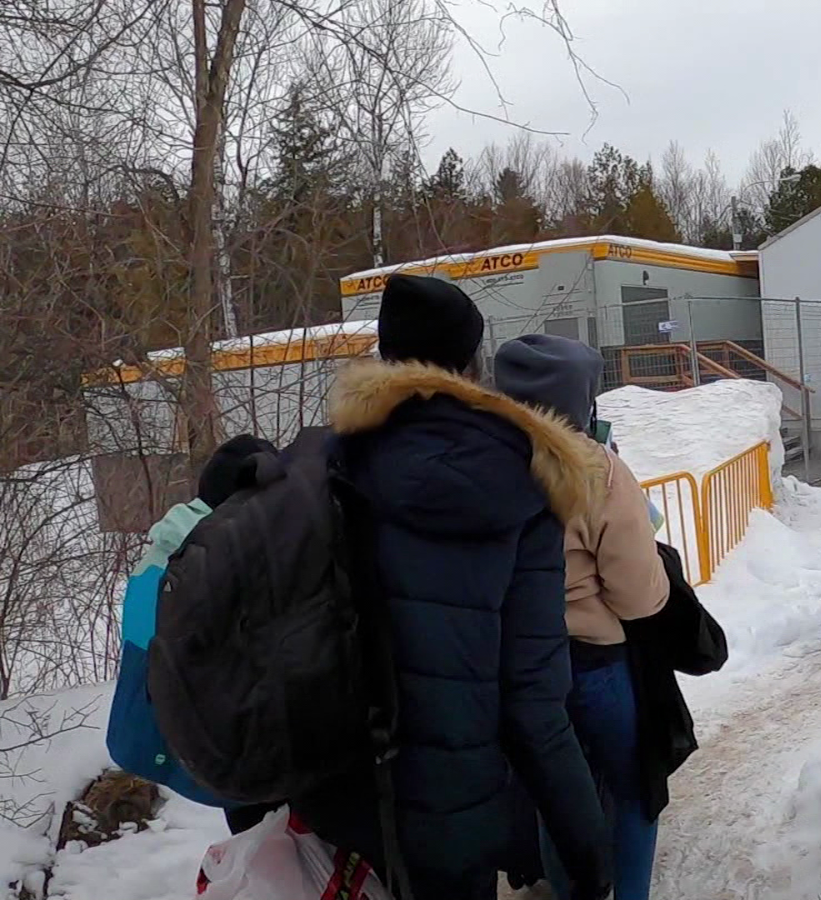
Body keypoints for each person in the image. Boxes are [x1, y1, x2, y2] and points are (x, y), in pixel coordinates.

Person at [295, 274, 611, 900]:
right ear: (471, 363)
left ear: (386, 356)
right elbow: (534, 703)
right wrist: (588, 848)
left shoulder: (329, 463)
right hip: (456, 815)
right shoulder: (521, 477)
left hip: (344, 801)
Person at [493, 334, 670, 900]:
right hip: (596, 666)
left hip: (517, 668)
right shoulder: (599, 470)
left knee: (556, 793)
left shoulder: (482, 464)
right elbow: (637, 593)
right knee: (634, 788)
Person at [107, 434, 280, 835]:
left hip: (159, 735)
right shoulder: (213, 559)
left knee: (253, 843)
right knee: (270, 842)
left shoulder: (165, 547)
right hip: (225, 752)